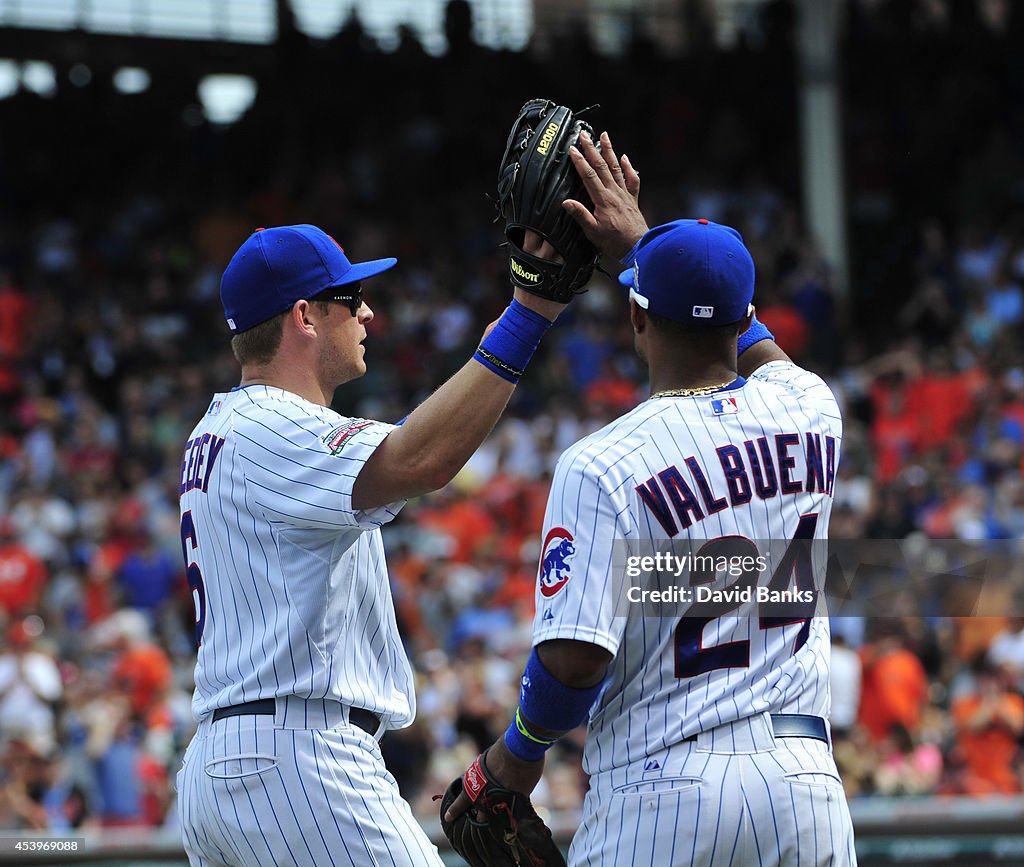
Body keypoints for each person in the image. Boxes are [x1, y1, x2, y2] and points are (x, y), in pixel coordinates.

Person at [445, 131, 856, 864]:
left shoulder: (603, 462)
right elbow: (756, 345)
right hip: (805, 787)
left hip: (668, 786)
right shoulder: (811, 407)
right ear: (746, 315)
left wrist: (519, 754)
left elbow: (573, 661)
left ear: (636, 318)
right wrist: (645, 247)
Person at [175, 223, 566, 866]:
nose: (367, 312)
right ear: (304, 315)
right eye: (350, 296)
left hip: (231, 761)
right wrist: (527, 315)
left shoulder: (220, 428)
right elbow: (422, 458)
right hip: (296, 760)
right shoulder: (271, 421)